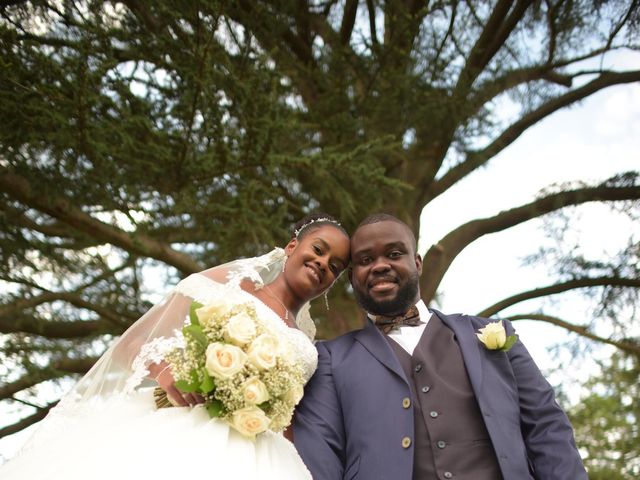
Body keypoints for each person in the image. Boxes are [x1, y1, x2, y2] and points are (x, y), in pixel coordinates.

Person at [0, 213, 350, 480]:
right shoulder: (230, 288)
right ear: (292, 247)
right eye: (318, 250)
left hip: (263, 455)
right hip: (187, 426)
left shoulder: (307, 341)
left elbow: (288, 416)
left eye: (335, 266)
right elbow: (132, 343)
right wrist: (164, 370)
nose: (323, 264)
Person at [293, 213, 588, 480]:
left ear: (417, 263)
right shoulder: (330, 358)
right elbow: (320, 456)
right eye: (365, 260)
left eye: (394, 254)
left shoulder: (490, 334)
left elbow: (547, 427)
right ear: (352, 276)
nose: (380, 265)